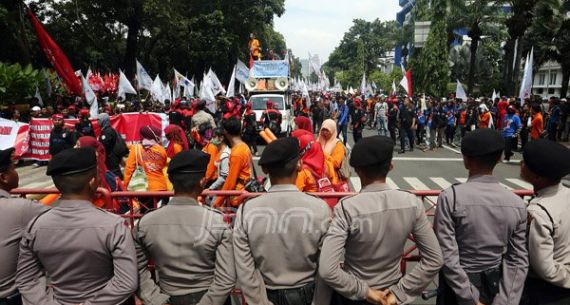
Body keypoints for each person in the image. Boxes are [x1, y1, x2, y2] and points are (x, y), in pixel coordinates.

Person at [319, 136, 443, 305]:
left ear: (357, 170)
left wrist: (366, 292)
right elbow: (435, 259)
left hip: (355, 295)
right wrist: (399, 292)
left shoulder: (347, 208)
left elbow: (327, 270)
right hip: (392, 293)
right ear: (391, 166)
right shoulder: (411, 202)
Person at [16, 147, 138, 304]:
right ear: (93, 182)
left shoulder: (35, 226)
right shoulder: (113, 225)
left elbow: (26, 280)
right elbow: (126, 282)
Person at [434, 129, 528, 305]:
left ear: (466, 160)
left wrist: (469, 297)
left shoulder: (451, 197)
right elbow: (518, 259)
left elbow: (447, 253)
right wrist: (506, 300)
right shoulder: (517, 202)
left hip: (458, 286)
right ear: (500, 158)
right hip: (496, 283)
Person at [234, 137, 331, 305]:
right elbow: (327, 267)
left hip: (265, 294)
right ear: (299, 165)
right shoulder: (320, 208)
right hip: (308, 294)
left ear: (265, 169)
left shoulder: (247, 211)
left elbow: (245, 270)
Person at [134, 150, 235, 305]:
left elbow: (136, 268)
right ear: (202, 182)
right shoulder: (217, 222)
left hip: (167, 296)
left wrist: (155, 300)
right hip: (211, 297)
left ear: (171, 179)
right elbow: (226, 277)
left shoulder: (146, 223)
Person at [518, 140, 570, 305]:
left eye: (525, 163)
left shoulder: (538, 212)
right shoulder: (566, 194)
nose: (521, 164)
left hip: (548, 293)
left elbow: (545, 269)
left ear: (537, 176)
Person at [0, 148, 48, 305]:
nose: (16, 171)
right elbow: (66, 219)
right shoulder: (20, 208)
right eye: (13, 167)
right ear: (4, 177)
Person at [124, 126, 169, 209]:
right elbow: (163, 164)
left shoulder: (136, 149)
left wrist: (125, 188)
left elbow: (129, 170)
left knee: (146, 217)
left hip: (144, 190)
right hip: (162, 189)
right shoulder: (161, 149)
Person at [212, 117, 252, 208]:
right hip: (243, 193)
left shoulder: (237, 153)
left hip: (237, 197)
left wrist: (217, 202)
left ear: (225, 132)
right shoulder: (244, 146)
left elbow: (230, 182)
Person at [75, 136, 123, 209]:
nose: (74, 147)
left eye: (78, 145)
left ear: (86, 148)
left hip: (98, 206)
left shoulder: (95, 166)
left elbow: (97, 191)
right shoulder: (89, 162)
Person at [318, 119, 347, 188]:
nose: (324, 132)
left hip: (332, 180)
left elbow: (336, 163)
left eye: (327, 130)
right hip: (318, 177)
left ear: (333, 131)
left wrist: (322, 154)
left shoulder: (338, 144)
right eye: (323, 130)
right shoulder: (318, 140)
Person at [98, 113, 127, 179]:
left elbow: (103, 144)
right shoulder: (108, 129)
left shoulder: (107, 131)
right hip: (112, 157)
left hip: (111, 158)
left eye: (99, 120)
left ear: (103, 120)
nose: (97, 122)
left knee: (114, 174)